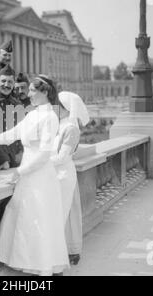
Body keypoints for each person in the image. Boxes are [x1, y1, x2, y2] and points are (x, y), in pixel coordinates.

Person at [0, 75, 69, 275]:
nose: (28, 94)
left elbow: (45, 154)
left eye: (32, 91)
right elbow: (13, 134)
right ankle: (25, 259)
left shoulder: (50, 117)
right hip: (29, 172)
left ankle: (43, 264)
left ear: (44, 92)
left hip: (40, 175)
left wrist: (20, 171)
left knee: (38, 218)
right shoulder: (33, 114)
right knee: (24, 216)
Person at [52, 91, 89, 266]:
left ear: (65, 109)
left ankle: (69, 251)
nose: (53, 109)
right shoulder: (58, 124)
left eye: (56, 106)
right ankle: (63, 250)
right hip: (54, 174)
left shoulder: (71, 128)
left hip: (63, 175)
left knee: (65, 214)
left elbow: (61, 158)